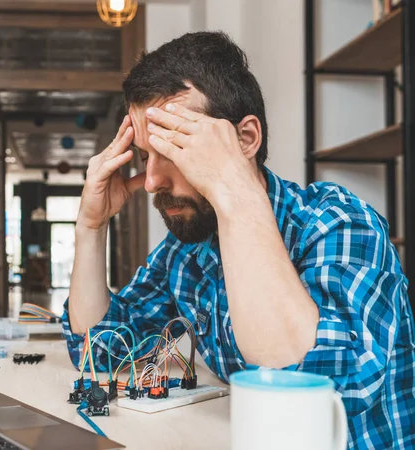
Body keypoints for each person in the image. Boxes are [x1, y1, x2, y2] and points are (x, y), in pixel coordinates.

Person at [61, 31, 415, 449]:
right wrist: (91, 225)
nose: (152, 181)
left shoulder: (339, 222)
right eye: (144, 157)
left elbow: (314, 393)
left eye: (175, 149)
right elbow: (102, 352)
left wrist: (234, 190)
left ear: (245, 139)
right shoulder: (186, 251)